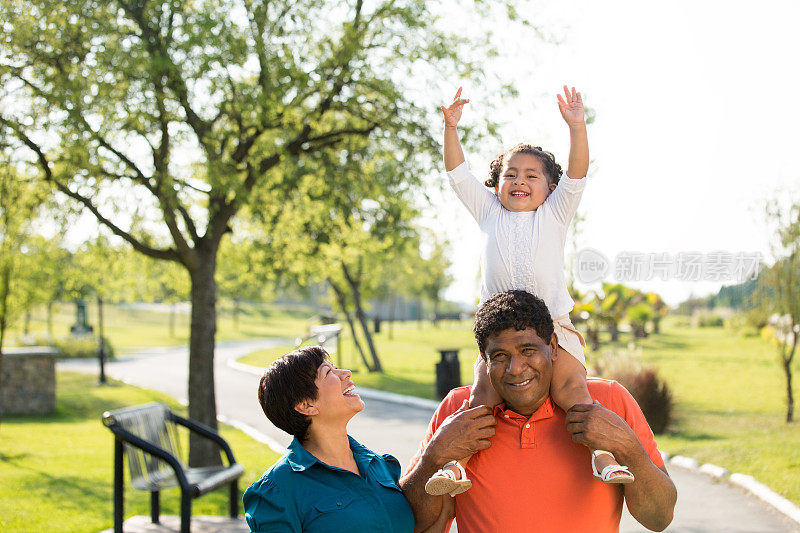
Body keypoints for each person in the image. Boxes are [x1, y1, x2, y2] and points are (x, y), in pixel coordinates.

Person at [424, 85, 631, 497]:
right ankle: (455, 466)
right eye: (510, 175)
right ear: (496, 186)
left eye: (531, 175)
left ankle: (603, 457)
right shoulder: (487, 211)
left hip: (553, 324)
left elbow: (577, 173)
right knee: (481, 398)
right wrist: (450, 129)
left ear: (549, 188)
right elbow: (457, 174)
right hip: (499, 333)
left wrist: (576, 126)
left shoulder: (554, 214)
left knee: (573, 391)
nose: (519, 181)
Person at [401, 290, 677, 532]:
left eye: (527, 350)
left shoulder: (608, 400)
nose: (515, 368)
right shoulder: (459, 410)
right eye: (500, 356)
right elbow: (414, 522)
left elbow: (659, 518)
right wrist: (434, 457)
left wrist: (627, 447)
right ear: (484, 360)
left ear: (554, 347)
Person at [243, 346, 451, 532]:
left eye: (335, 367)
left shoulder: (379, 465)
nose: (345, 373)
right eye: (328, 372)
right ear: (306, 405)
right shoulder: (276, 492)